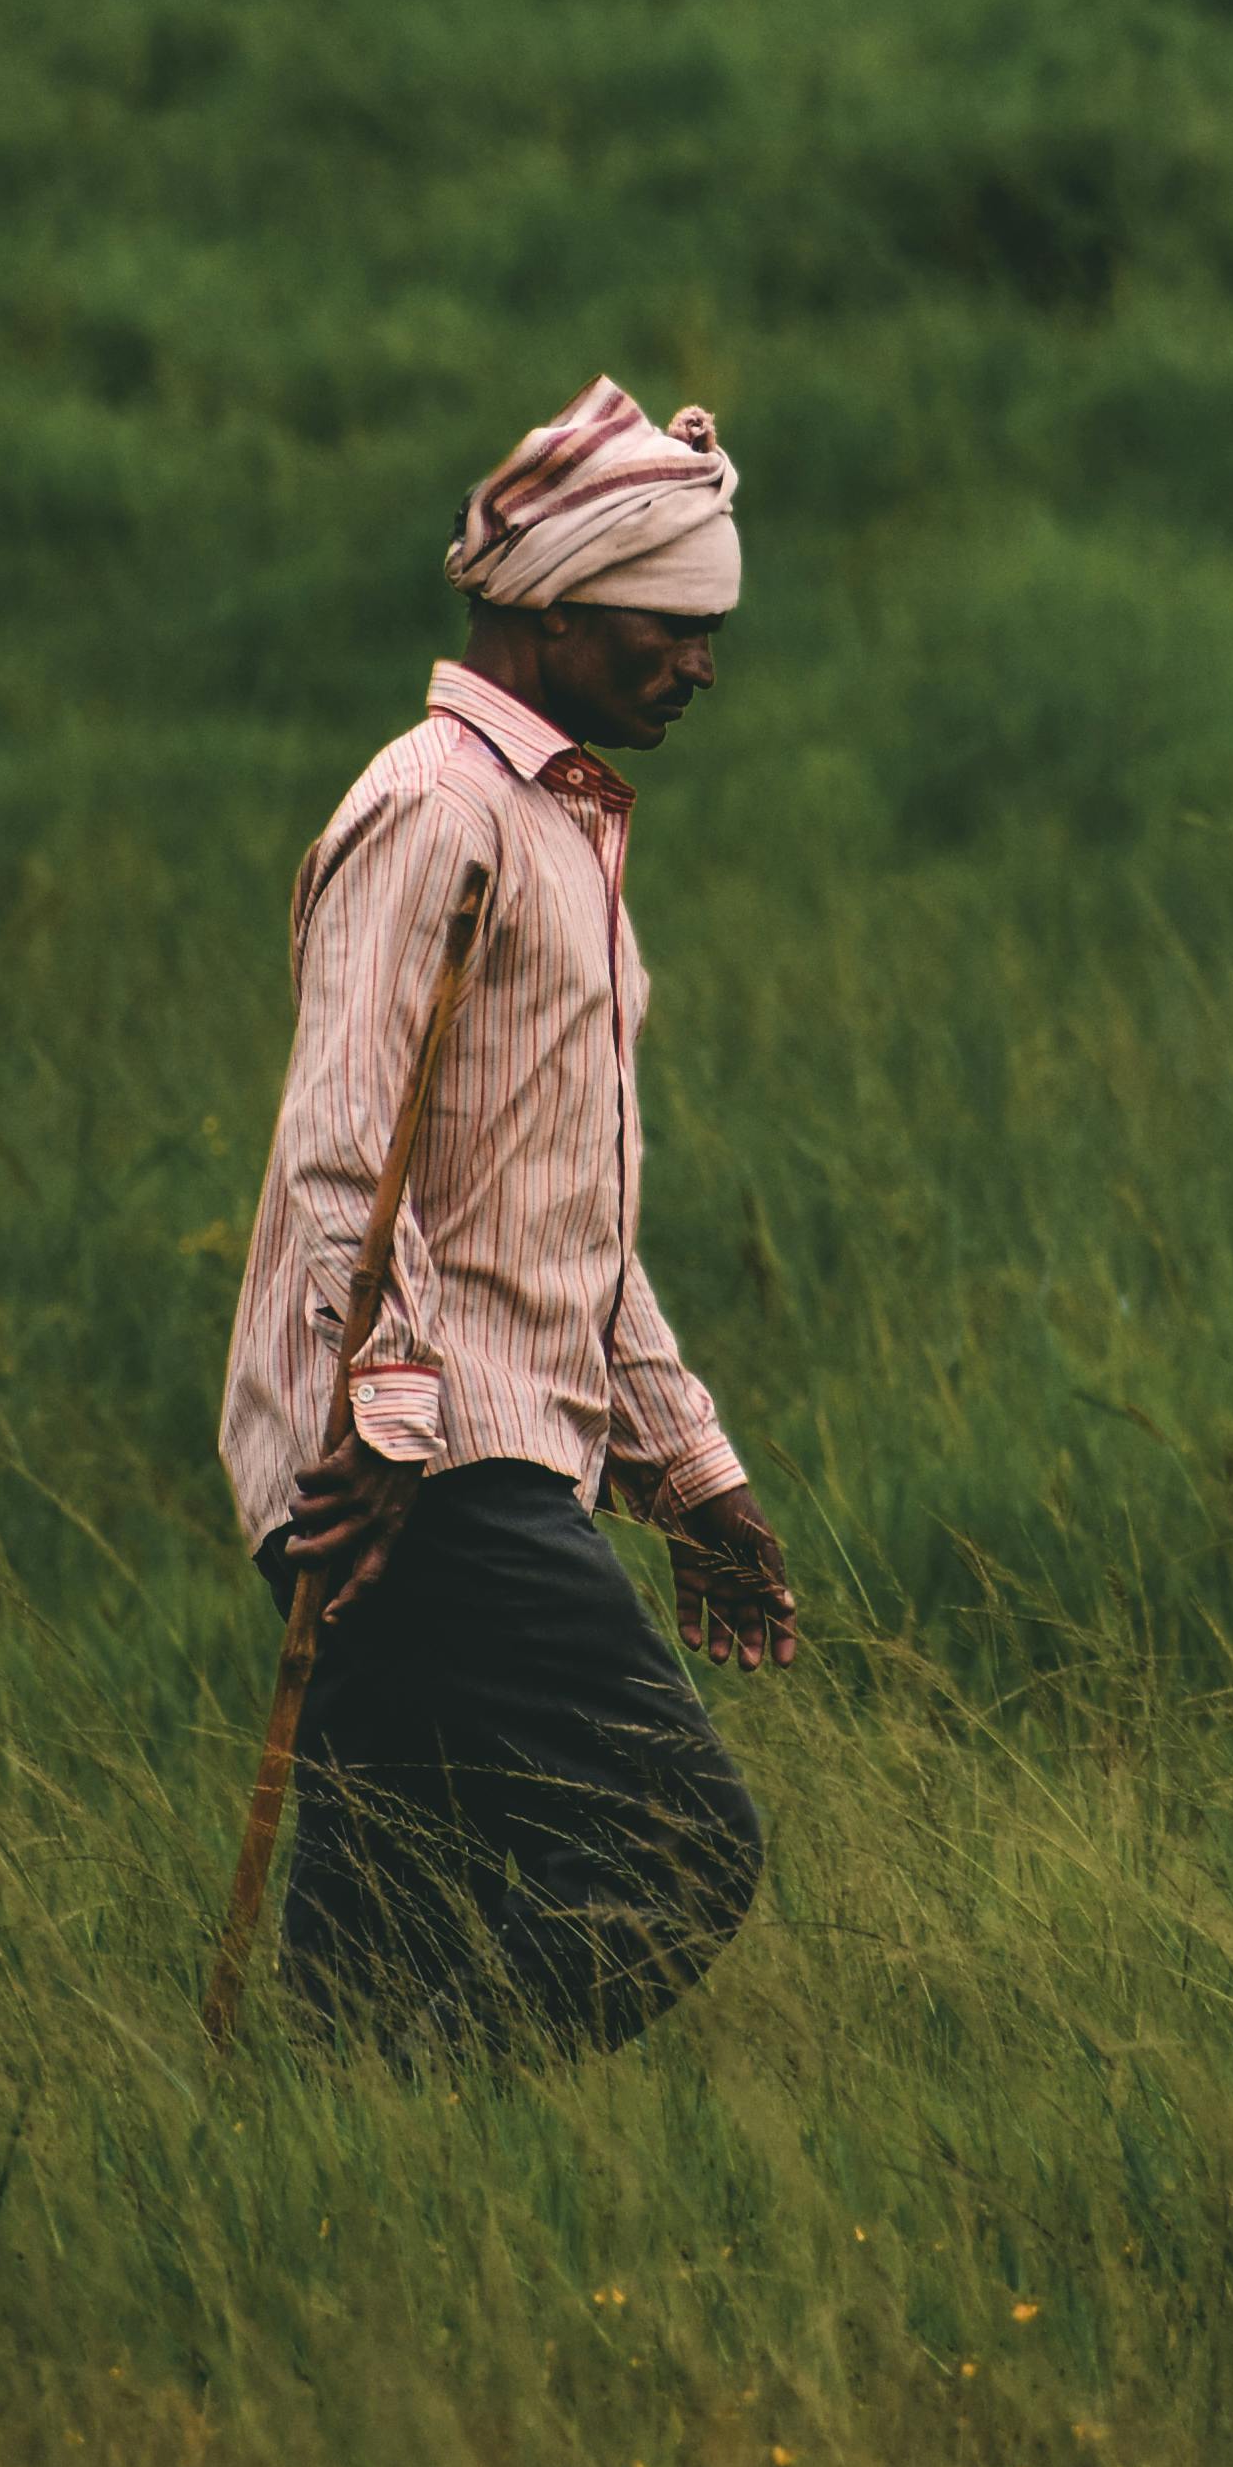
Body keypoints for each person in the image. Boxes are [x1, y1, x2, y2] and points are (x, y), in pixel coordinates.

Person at [215, 376, 801, 2054]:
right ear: (551, 603)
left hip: (467, 1449)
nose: (699, 664)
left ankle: (342, 2166)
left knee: (397, 1909)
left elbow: (560, 1218)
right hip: (417, 1463)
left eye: (711, 630)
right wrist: (383, 1420)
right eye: (670, 625)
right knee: (681, 1848)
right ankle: (425, 2111)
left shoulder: (558, 829)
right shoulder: (435, 810)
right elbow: (341, 1154)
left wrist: (691, 1473)